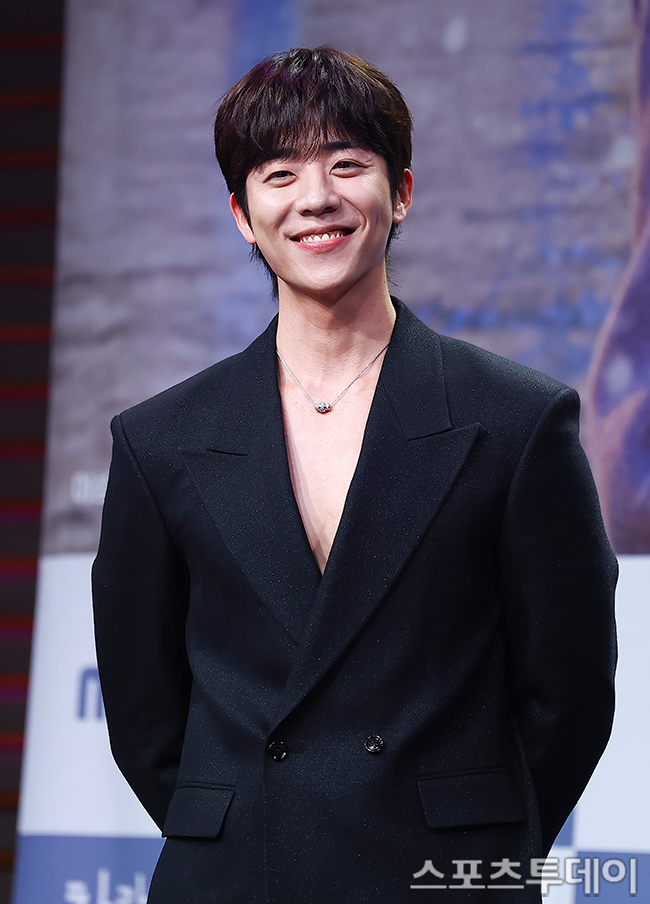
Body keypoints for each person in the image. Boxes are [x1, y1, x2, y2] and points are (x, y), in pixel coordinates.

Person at [92, 47, 617, 903]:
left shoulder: (519, 420)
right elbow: (144, 710)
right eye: (280, 173)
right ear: (242, 214)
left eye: (347, 164)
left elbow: (570, 694)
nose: (316, 198)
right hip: (237, 877)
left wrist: (472, 838)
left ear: (400, 191)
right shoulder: (160, 440)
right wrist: (241, 824)